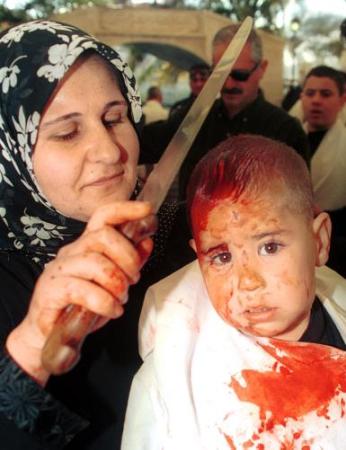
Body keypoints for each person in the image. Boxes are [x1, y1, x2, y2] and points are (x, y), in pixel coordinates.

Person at [0, 20, 180, 450]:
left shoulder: (176, 231)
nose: (109, 151)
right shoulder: (8, 277)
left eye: (114, 118)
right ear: (12, 153)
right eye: (67, 132)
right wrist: (32, 343)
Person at [122, 134, 346, 450]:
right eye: (222, 257)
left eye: (270, 247)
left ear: (319, 242)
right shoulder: (171, 382)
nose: (247, 281)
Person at [140, 23, 309, 200]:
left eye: (239, 75)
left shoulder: (286, 131)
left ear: (262, 68)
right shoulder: (195, 117)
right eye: (219, 74)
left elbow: (296, 205)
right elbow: (144, 144)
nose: (228, 84)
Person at [300, 65, 346, 276]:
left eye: (325, 94)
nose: (316, 100)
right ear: (301, 97)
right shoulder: (286, 136)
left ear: (342, 99)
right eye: (310, 93)